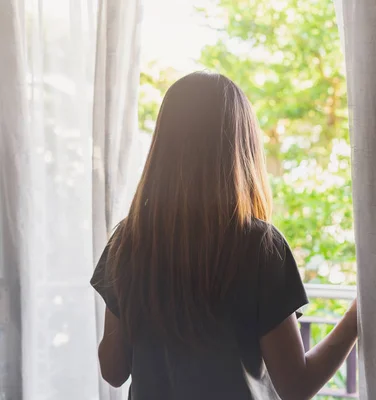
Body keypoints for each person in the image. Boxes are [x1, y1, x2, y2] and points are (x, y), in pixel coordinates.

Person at [90, 71, 358, 400]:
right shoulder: (258, 247)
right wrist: (356, 317)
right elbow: (296, 385)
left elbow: (113, 370)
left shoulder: (130, 241)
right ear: (240, 147)